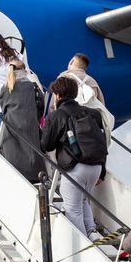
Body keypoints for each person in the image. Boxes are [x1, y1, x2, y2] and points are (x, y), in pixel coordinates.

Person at [40, 75, 106, 239]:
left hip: (75, 167)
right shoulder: (91, 113)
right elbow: (101, 140)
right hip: (96, 167)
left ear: (57, 95)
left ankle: (86, 247)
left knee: (73, 210)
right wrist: (102, 172)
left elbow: (46, 145)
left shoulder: (58, 115)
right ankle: (91, 231)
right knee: (82, 200)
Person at [0, 58, 46, 183]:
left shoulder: (6, 88)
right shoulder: (33, 86)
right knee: (32, 152)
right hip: (31, 127)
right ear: (23, 70)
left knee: (15, 159)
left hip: (12, 130)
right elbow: (41, 105)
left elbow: (3, 108)